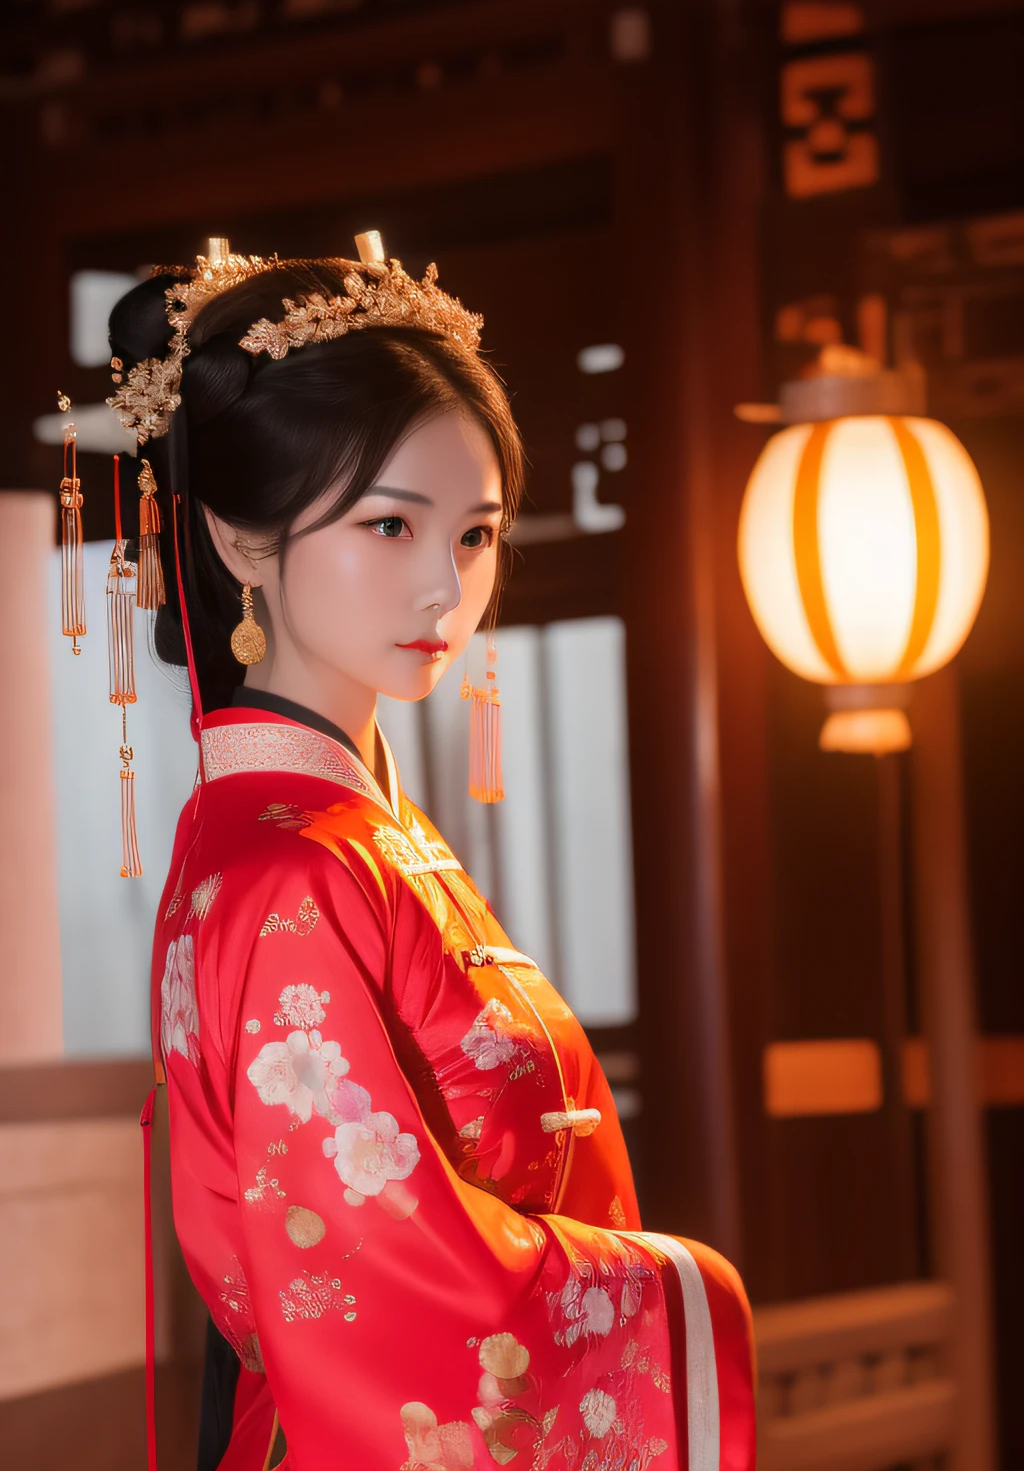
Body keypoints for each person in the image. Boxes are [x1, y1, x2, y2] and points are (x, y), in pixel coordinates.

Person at [108, 239, 756, 1471]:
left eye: (473, 535)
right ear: (243, 543)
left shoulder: (343, 832)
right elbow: (379, 1278)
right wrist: (678, 1289)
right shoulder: (286, 870)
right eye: (390, 525)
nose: (444, 592)